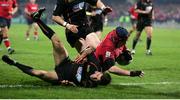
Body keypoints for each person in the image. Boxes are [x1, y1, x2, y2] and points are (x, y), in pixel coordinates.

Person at [2, 9, 111, 88]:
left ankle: (14, 63)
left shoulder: (89, 84)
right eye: (98, 75)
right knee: (57, 41)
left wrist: (66, 83)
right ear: (100, 73)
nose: (95, 76)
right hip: (66, 62)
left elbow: (74, 84)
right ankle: (37, 19)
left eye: (97, 79)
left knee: (40, 74)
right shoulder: (95, 66)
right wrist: (84, 53)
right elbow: (92, 49)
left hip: (61, 75)